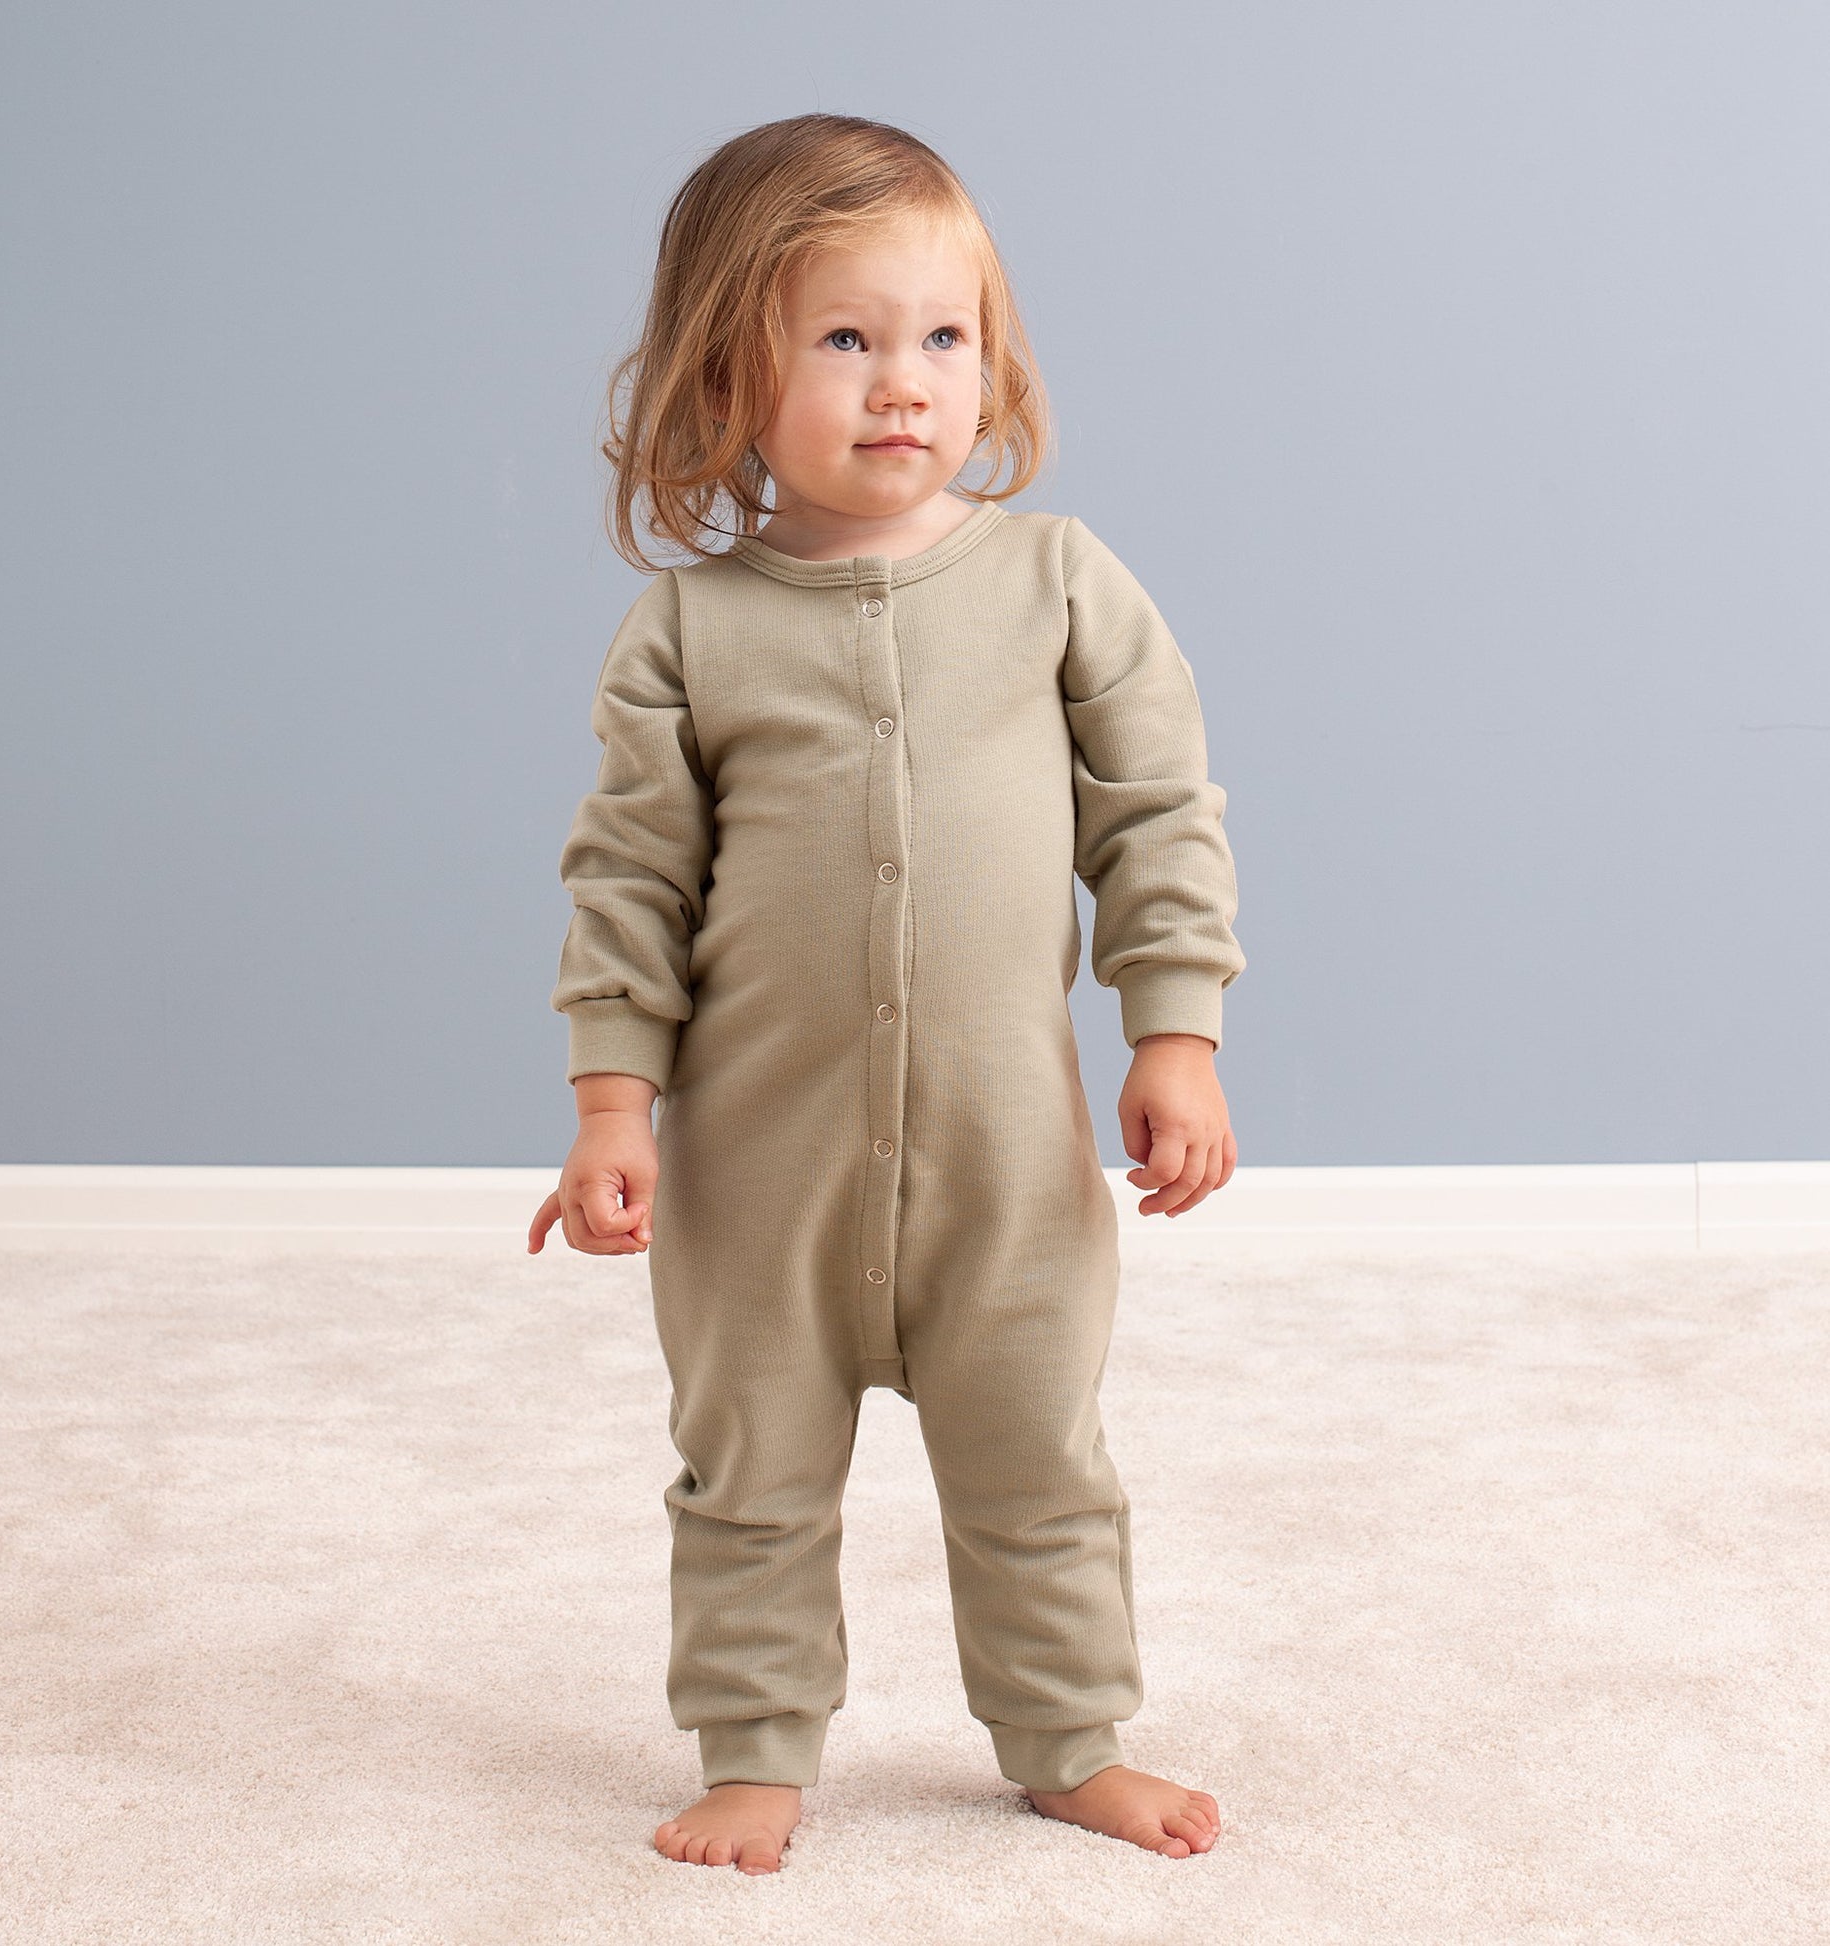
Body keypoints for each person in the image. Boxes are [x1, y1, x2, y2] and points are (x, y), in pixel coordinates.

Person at [528, 112, 1244, 1876]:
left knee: (1039, 1466)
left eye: (942, 334)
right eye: (843, 337)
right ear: (726, 376)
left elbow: (1156, 814)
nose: (903, 381)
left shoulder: (1057, 584)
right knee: (747, 1477)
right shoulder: (688, 634)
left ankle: (1066, 1738)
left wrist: (1174, 1030)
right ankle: (754, 1748)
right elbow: (629, 882)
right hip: (755, 1177)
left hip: (1006, 1168)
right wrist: (611, 1105)